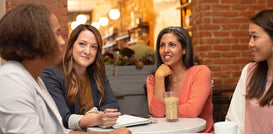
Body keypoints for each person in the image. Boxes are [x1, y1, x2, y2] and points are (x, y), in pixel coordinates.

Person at [0, 3, 131, 134]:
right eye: (57, 34)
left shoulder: (34, 79)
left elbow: (61, 131)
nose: (62, 42)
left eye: (93, 47)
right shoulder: (10, 80)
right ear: (35, 39)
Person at [225, 9, 273, 134]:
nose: (250, 43)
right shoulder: (249, 71)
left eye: (255, 37)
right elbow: (234, 120)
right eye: (250, 37)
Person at [41, 24, 120, 131]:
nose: (87, 51)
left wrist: (94, 114)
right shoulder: (51, 75)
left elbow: (113, 105)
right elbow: (62, 118)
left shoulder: (97, 73)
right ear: (71, 46)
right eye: (82, 44)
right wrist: (95, 119)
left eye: (93, 47)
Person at [146, 26, 214, 133]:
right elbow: (158, 114)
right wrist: (159, 78)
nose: (166, 50)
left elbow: (192, 111)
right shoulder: (153, 79)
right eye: (162, 45)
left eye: (172, 45)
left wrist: (165, 111)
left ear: (184, 49)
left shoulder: (201, 72)